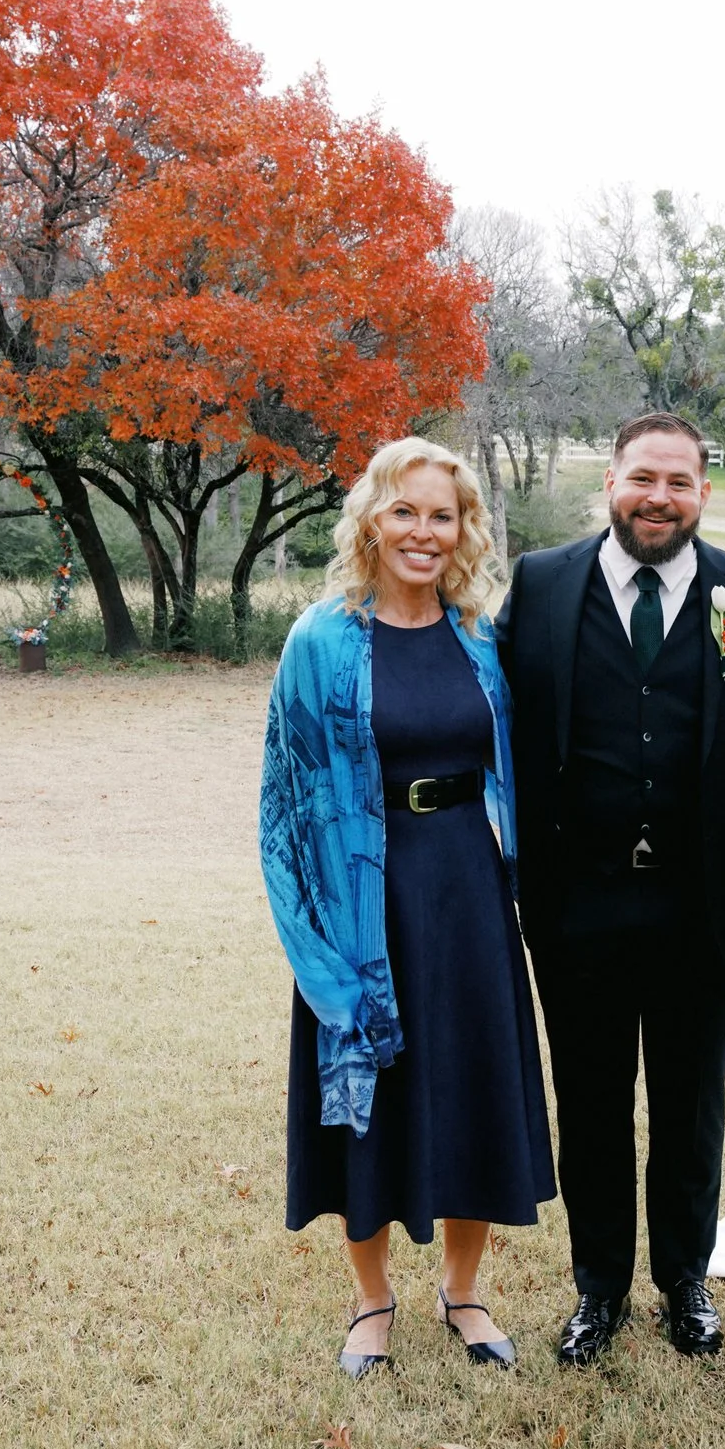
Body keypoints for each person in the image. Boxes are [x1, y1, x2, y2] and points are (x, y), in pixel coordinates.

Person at [260, 437, 555, 1379]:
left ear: (463, 529)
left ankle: (463, 1292)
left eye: (443, 515)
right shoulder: (320, 641)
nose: (424, 531)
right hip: (364, 898)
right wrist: (315, 945)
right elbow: (285, 802)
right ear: (372, 522)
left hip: (468, 889)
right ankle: (372, 1301)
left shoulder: (480, 637)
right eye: (406, 511)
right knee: (372, 1109)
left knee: (472, 1085)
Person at [495, 411, 725, 1364]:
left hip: (704, 901)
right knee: (590, 1099)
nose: (659, 498)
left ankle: (685, 1278)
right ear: (611, 482)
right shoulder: (541, 582)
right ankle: (600, 1286)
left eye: (679, 482)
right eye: (643, 478)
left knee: (693, 1100)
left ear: (704, 492)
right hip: (577, 901)